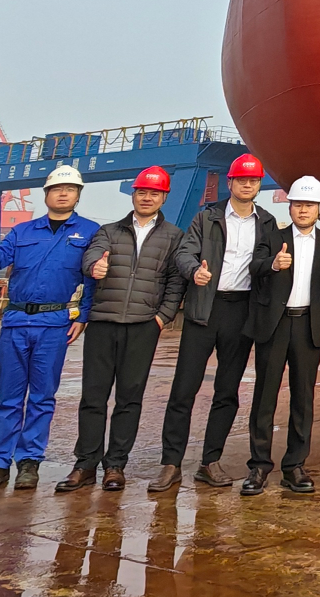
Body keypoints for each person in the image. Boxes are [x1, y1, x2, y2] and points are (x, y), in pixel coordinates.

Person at [148, 153, 278, 494]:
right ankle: (171, 463)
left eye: (253, 180)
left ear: (258, 185)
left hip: (242, 311)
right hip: (204, 308)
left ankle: (210, 461)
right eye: (241, 179)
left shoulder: (267, 222)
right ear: (230, 182)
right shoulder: (206, 217)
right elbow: (184, 252)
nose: (247, 185)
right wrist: (195, 271)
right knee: (184, 388)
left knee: (227, 391)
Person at [0, 164, 101, 492]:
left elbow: (92, 279)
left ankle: (29, 463)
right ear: (46, 194)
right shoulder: (23, 231)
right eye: (57, 189)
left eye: (70, 189)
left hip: (54, 324)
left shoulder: (90, 232)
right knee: (8, 398)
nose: (63, 193)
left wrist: (83, 317)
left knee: (42, 397)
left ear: (78, 195)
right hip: (16, 322)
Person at [58, 165, 185, 492]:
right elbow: (89, 259)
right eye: (142, 192)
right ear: (133, 194)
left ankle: (115, 466)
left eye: (154, 193)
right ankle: (85, 464)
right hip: (103, 323)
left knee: (130, 399)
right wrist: (95, 266)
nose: (147, 197)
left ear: (164, 197)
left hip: (143, 326)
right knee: (93, 397)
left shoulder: (174, 237)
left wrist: (162, 317)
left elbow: (175, 282)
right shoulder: (109, 231)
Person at [242, 175, 320, 495]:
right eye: (298, 204)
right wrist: (273, 264)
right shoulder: (272, 236)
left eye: (309, 205)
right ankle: (259, 466)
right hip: (274, 325)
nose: (303, 210)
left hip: (308, 326)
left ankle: (295, 465)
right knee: (265, 396)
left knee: (303, 397)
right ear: (290, 207)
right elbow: (254, 267)